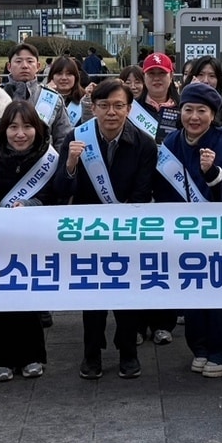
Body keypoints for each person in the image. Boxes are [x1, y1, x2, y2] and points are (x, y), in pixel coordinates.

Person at [64, 78, 159, 379]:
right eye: (104, 106)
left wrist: (122, 224)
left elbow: (143, 193)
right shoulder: (77, 138)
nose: (111, 112)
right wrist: (70, 164)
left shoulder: (144, 143)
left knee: (126, 295)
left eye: (119, 106)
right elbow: (62, 189)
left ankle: (128, 352)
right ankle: (91, 354)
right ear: (93, 107)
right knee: (92, 297)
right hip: (88, 231)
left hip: (126, 229)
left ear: (129, 109)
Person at [155, 83, 222, 376]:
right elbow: (163, 189)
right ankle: (201, 348)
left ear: (213, 114)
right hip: (186, 233)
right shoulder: (171, 143)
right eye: (188, 109)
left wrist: (213, 173)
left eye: (201, 111)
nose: (194, 117)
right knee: (193, 290)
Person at [0, 101, 61, 381]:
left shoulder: (49, 158)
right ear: (3, 130)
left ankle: (33, 356)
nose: (21, 133)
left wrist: (30, 205)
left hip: (32, 237)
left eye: (28, 126)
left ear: (38, 129)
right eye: (13, 127)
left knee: (28, 297)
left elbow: (56, 198)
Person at [3, 42, 73, 147]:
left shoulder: (52, 98)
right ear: (9, 66)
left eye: (30, 61)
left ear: (38, 66)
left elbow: (63, 137)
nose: (25, 66)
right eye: (18, 61)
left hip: (44, 162)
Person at [139, 52, 180, 134]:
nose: (156, 78)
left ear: (171, 76)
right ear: (144, 76)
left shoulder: (183, 107)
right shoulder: (133, 108)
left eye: (162, 73)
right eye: (151, 73)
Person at [45, 55, 87, 127]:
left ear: (76, 77)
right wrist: (46, 94)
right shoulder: (41, 96)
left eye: (69, 74)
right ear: (52, 76)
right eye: (59, 74)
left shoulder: (85, 100)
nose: (64, 78)